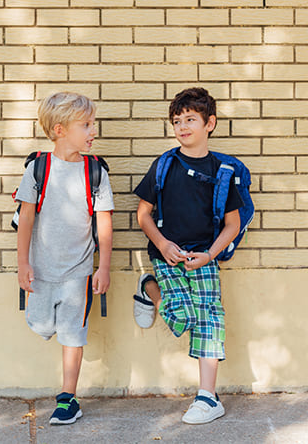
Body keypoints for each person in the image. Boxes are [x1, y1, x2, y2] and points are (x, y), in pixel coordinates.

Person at [132, 87, 243, 425]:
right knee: (182, 318)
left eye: (190, 119)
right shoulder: (164, 165)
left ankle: (207, 397)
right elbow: (143, 214)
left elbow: (233, 224)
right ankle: (150, 287)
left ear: (210, 123)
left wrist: (210, 255)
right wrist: (163, 244)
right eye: (177, 121)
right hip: (167, 257)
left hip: (203, 258)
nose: (182, 126)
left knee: (209, 320)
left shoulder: (222, 171)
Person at [15, 92, 114, 425]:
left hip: (79, 271)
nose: (93, 131)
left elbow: (104, 223)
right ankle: (49, 325)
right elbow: (26, 217)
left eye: (92, 124)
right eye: (85, 125)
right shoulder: (38, 168)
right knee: (42, 325)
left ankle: (67, 399)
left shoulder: (95, 171)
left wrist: (103, 267)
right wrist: (23, 263)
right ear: (60, 130)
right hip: (42, 268)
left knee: (72, 333)